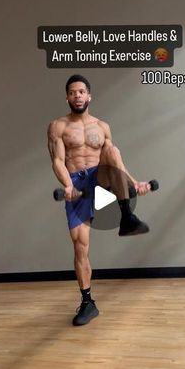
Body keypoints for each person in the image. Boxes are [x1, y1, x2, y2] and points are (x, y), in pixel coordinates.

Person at [47, 74, 151, 326]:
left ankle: (127, 216)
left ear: (89, 95)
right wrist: (69, 186)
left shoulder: (102, 126)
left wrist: (133, 182)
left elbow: (114, 161)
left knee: (112, 149)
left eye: (81, 91)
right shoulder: (58, 126)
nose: (77, 95)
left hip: (100, 177)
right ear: (67, 97)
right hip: (77, 183)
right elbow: (58, 161)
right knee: (80, 245)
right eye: (73, 92)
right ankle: (87, 302)